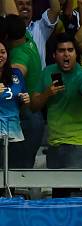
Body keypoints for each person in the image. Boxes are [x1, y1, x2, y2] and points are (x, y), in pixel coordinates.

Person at [31, 34, 82, 170]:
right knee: (58, 190)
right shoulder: (47, 72)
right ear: (54, 55)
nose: (66, 54)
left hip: (80, 142)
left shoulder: (81, 72)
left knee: (75, 189)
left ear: (76, 54)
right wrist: (47, 93)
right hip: (55, 142)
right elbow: (33, 106)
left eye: (70, 50)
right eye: (61, 51)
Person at [5, 14, 43, 169]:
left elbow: (13, 87)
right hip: (33, 116)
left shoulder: (18, 58)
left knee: (16, 172)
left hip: (25, 119)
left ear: (6, 36)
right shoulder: (26, 37)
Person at [0, 39, 30, 157]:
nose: (0, 56)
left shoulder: (16, 73)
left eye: (3, 52)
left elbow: (22, 106)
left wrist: (25, 100)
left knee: (15, 173)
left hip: (14, 133)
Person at [14, 0, 61, 68]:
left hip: (39, 77)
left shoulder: (41, 27)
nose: (25, 6)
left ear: (32, 8)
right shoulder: (9, 28)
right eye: (20, 4)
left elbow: (55, 10)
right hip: (17, 76)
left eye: (28, 4)